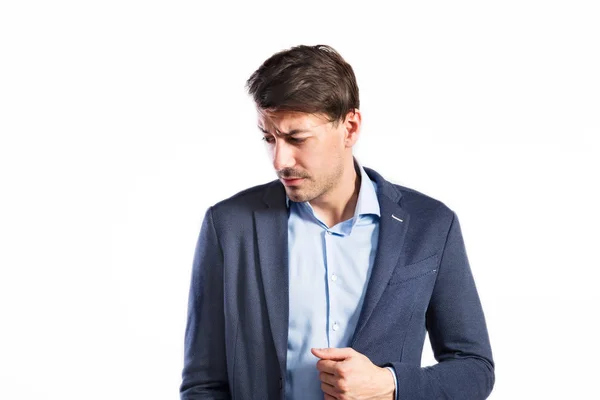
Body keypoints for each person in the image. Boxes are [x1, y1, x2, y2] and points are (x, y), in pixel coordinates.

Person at [180, 44, 494, 400]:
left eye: (297, 138)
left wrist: (390, 384)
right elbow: (203, 384)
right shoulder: (228, 226)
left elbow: (474, 368)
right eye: (269, 138)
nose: (279, 159)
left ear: (350, 127)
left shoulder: (431, 225)